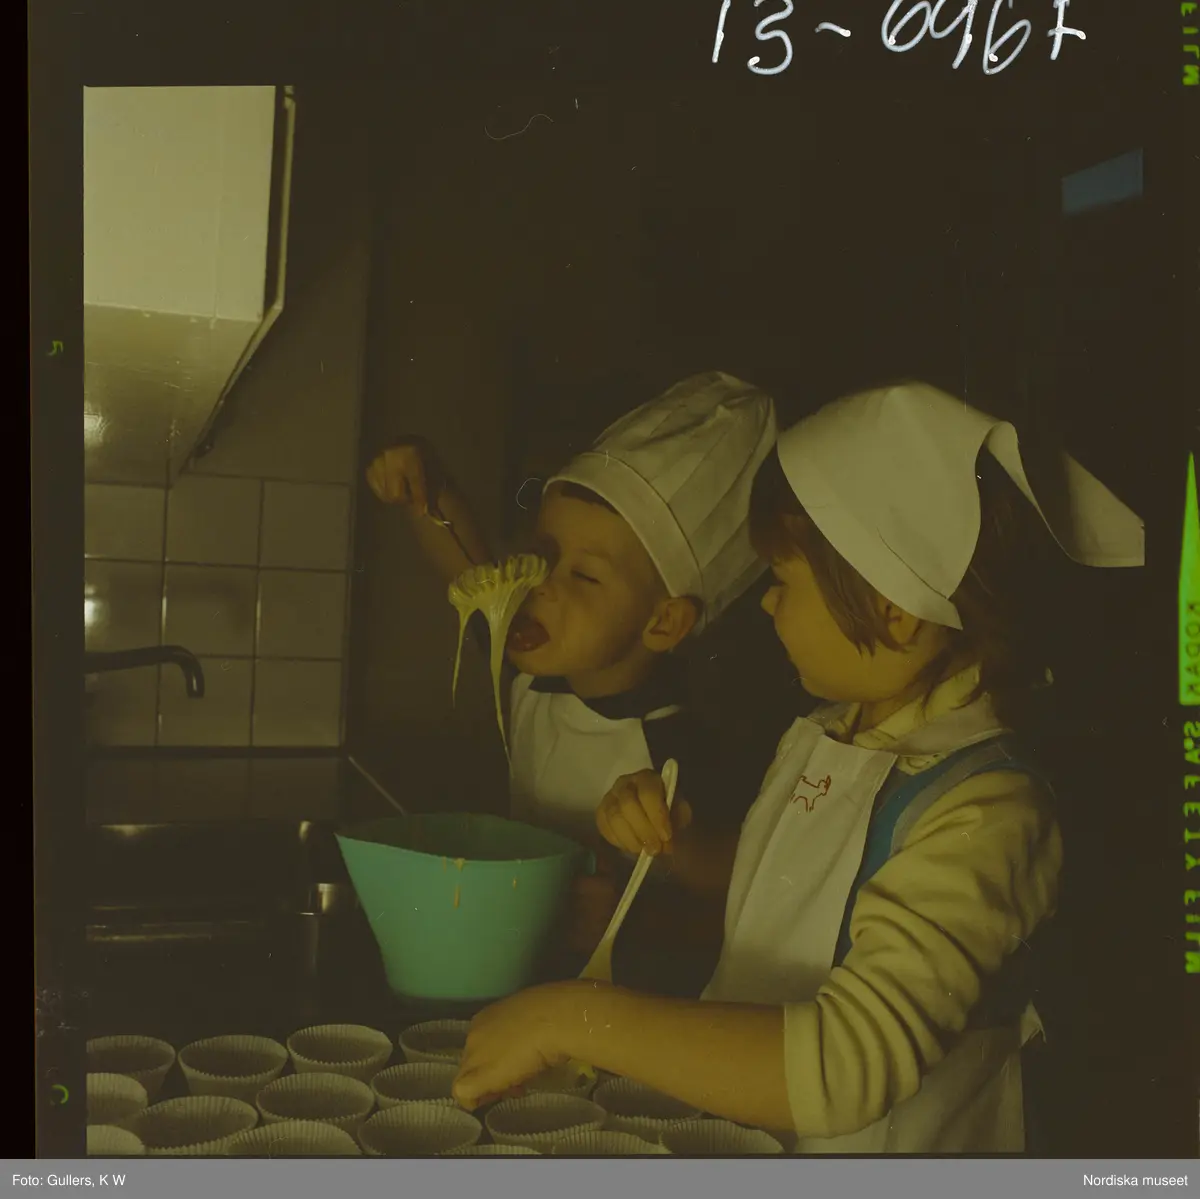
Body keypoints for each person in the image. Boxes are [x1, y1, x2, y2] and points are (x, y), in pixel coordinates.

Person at [449, 380, 1145, 1153]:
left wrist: (574, 1018)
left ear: (891, 607)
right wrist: (673, 845)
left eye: (782, 581)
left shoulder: (988, 807)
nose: (767, 605)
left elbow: (850, 1064)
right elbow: (783, 899)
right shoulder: (823, 733)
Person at [366, 371, 779, 996]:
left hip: (626, 1001)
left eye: (584, 577)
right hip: (523, 973)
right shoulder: (536, 677)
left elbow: (736, 895)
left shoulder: (678, 745)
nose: (540, 584)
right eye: (543, 552)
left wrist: (642, 908)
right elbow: (468, 571)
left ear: (663, 623)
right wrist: (426, 486)